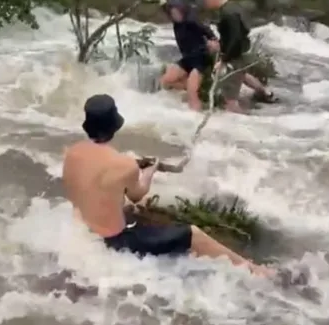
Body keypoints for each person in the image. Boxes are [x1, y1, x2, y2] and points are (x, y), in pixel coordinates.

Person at [62, 94, 272, 276]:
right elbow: (138, 194)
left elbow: (91, 182)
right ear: (114, 127)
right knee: (193, 234)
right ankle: (254, 270)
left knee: (128, 208)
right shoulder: (124, 164)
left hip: (84, 228)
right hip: (114, 242)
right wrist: (149, 172)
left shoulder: (72, 153)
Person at [200, 0, 277, 114]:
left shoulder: (228, 13)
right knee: (242, 75)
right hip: (241, 54)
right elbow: (240, 32)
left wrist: (224, 60)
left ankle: (250, 127)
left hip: (235, 58)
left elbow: (235, 39)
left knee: (230, 102)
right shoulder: (234, 7)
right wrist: (221, 44)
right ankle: (265, 94)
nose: (205, 3)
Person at [158, 0, 220, 111]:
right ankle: (191, 88)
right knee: (165, 81)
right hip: (187, 59)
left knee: (192, 92)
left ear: (183, 11)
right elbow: (166, 9)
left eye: (177, 13)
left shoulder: (191, 21)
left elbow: (206, 30)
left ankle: (195, 117)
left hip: (200, 59)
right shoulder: (176, 24)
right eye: (173, 13)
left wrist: (213, 40)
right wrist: (164, 3)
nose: (175, 15)